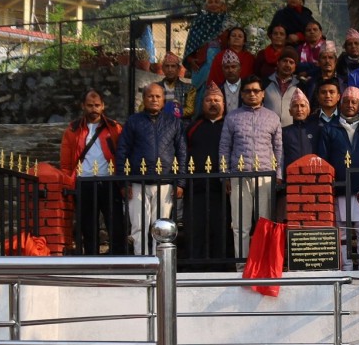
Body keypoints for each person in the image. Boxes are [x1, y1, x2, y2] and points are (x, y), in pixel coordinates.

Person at [115, 83, 187, 255]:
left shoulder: (174, 122)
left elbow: (182, 153)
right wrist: (123, 182)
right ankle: (142, 262)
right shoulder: (133, 121)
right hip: (137, 182)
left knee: (161, 227)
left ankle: (158, 262)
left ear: (163, 100)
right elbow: (122, 151)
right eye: (150, 96)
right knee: (138, 226)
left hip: (165, 182)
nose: (154, 99)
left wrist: (180, 182)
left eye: (158, 96)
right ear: (144, 99)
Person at [219, 75, 282, 259]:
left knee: (265, 223)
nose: (252, 94)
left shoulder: (272, 117)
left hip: (265, 176)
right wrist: (225, 175)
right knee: (240, 224)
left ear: (263, 94)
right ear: (242, 94)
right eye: (247, 91)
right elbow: (224, 147)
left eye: (256, 91)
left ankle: (263, 263)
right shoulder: (232, 117)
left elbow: (278, 148)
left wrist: (278, 174)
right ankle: (242, 264)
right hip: (239, 176)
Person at [59, 88, 127, 256]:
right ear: (83, 106)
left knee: (116, 225)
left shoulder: (114, 128)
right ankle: (91, 259)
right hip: (84, 182)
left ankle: (118, 259)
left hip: (109, 181)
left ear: (103, 106)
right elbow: (66, 162)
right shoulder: (73, 130)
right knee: (88, 227)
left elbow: (122, 154)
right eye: (90, 105)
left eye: (97, 105)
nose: (93, 109)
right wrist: (68, 183)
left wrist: (122, 181)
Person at [317, 86, 359, 270]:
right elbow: (323, 159)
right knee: (342, 232)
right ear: (340, 104)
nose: (350, 105)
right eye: (347, 101)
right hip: (340, 187)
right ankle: (346, 267)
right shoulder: (329, 128)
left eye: (354, 102)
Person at [182, 82, 234, 269]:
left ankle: (221, 267)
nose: (213, 104)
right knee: (195, 228)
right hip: (196, 188)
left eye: (217, 100)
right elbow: (182, 154)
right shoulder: (192, 128)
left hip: (222, 188)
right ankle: (195, 267)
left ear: (224, 104)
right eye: (209, 100)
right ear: (202, 104)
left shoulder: (230, 126)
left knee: (221, 227)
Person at [182, 0, 231, 98]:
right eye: (210, 2)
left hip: (222, 63)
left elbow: (234, 45)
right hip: (201, 64)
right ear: (206, 5)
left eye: (216, 2)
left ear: (222, 5)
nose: (213, 4)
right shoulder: (198, 22)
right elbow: (190, 44)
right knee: (199, 95)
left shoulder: (228, 23)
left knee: (218, 93)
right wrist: (190, 59)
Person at [282, 88, 321, 172]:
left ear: (308, 110)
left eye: (302, 106)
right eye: (295, 106)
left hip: (313, 173)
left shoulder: (318, 129)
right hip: (291, 174)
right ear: (290, 111)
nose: (299, 109)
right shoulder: (284, 132)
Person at [264, 46, 303, 127]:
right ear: (278, 63)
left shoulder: (300, 86)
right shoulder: (265, 83)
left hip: (291, 130)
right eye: (285, 61)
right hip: (267, 129)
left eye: (291, 62)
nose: (287, 65)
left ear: (295, 67)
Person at [303, 41, 348, 105]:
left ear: (335, 61)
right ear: (319, 62)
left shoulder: (344, 82)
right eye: (324, 58)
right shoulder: (311, 83)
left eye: (330, 57)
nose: (327, 61)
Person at [158, 52, 195, 118]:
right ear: (163, 68)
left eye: (173, 66)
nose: (170, 70)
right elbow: (143, 107)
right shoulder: (155, 88)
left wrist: (170, 112)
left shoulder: (189, 88)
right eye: (167, 66)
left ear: (179, 69)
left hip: (181, 122)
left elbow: (190, 110)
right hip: (159, 122)